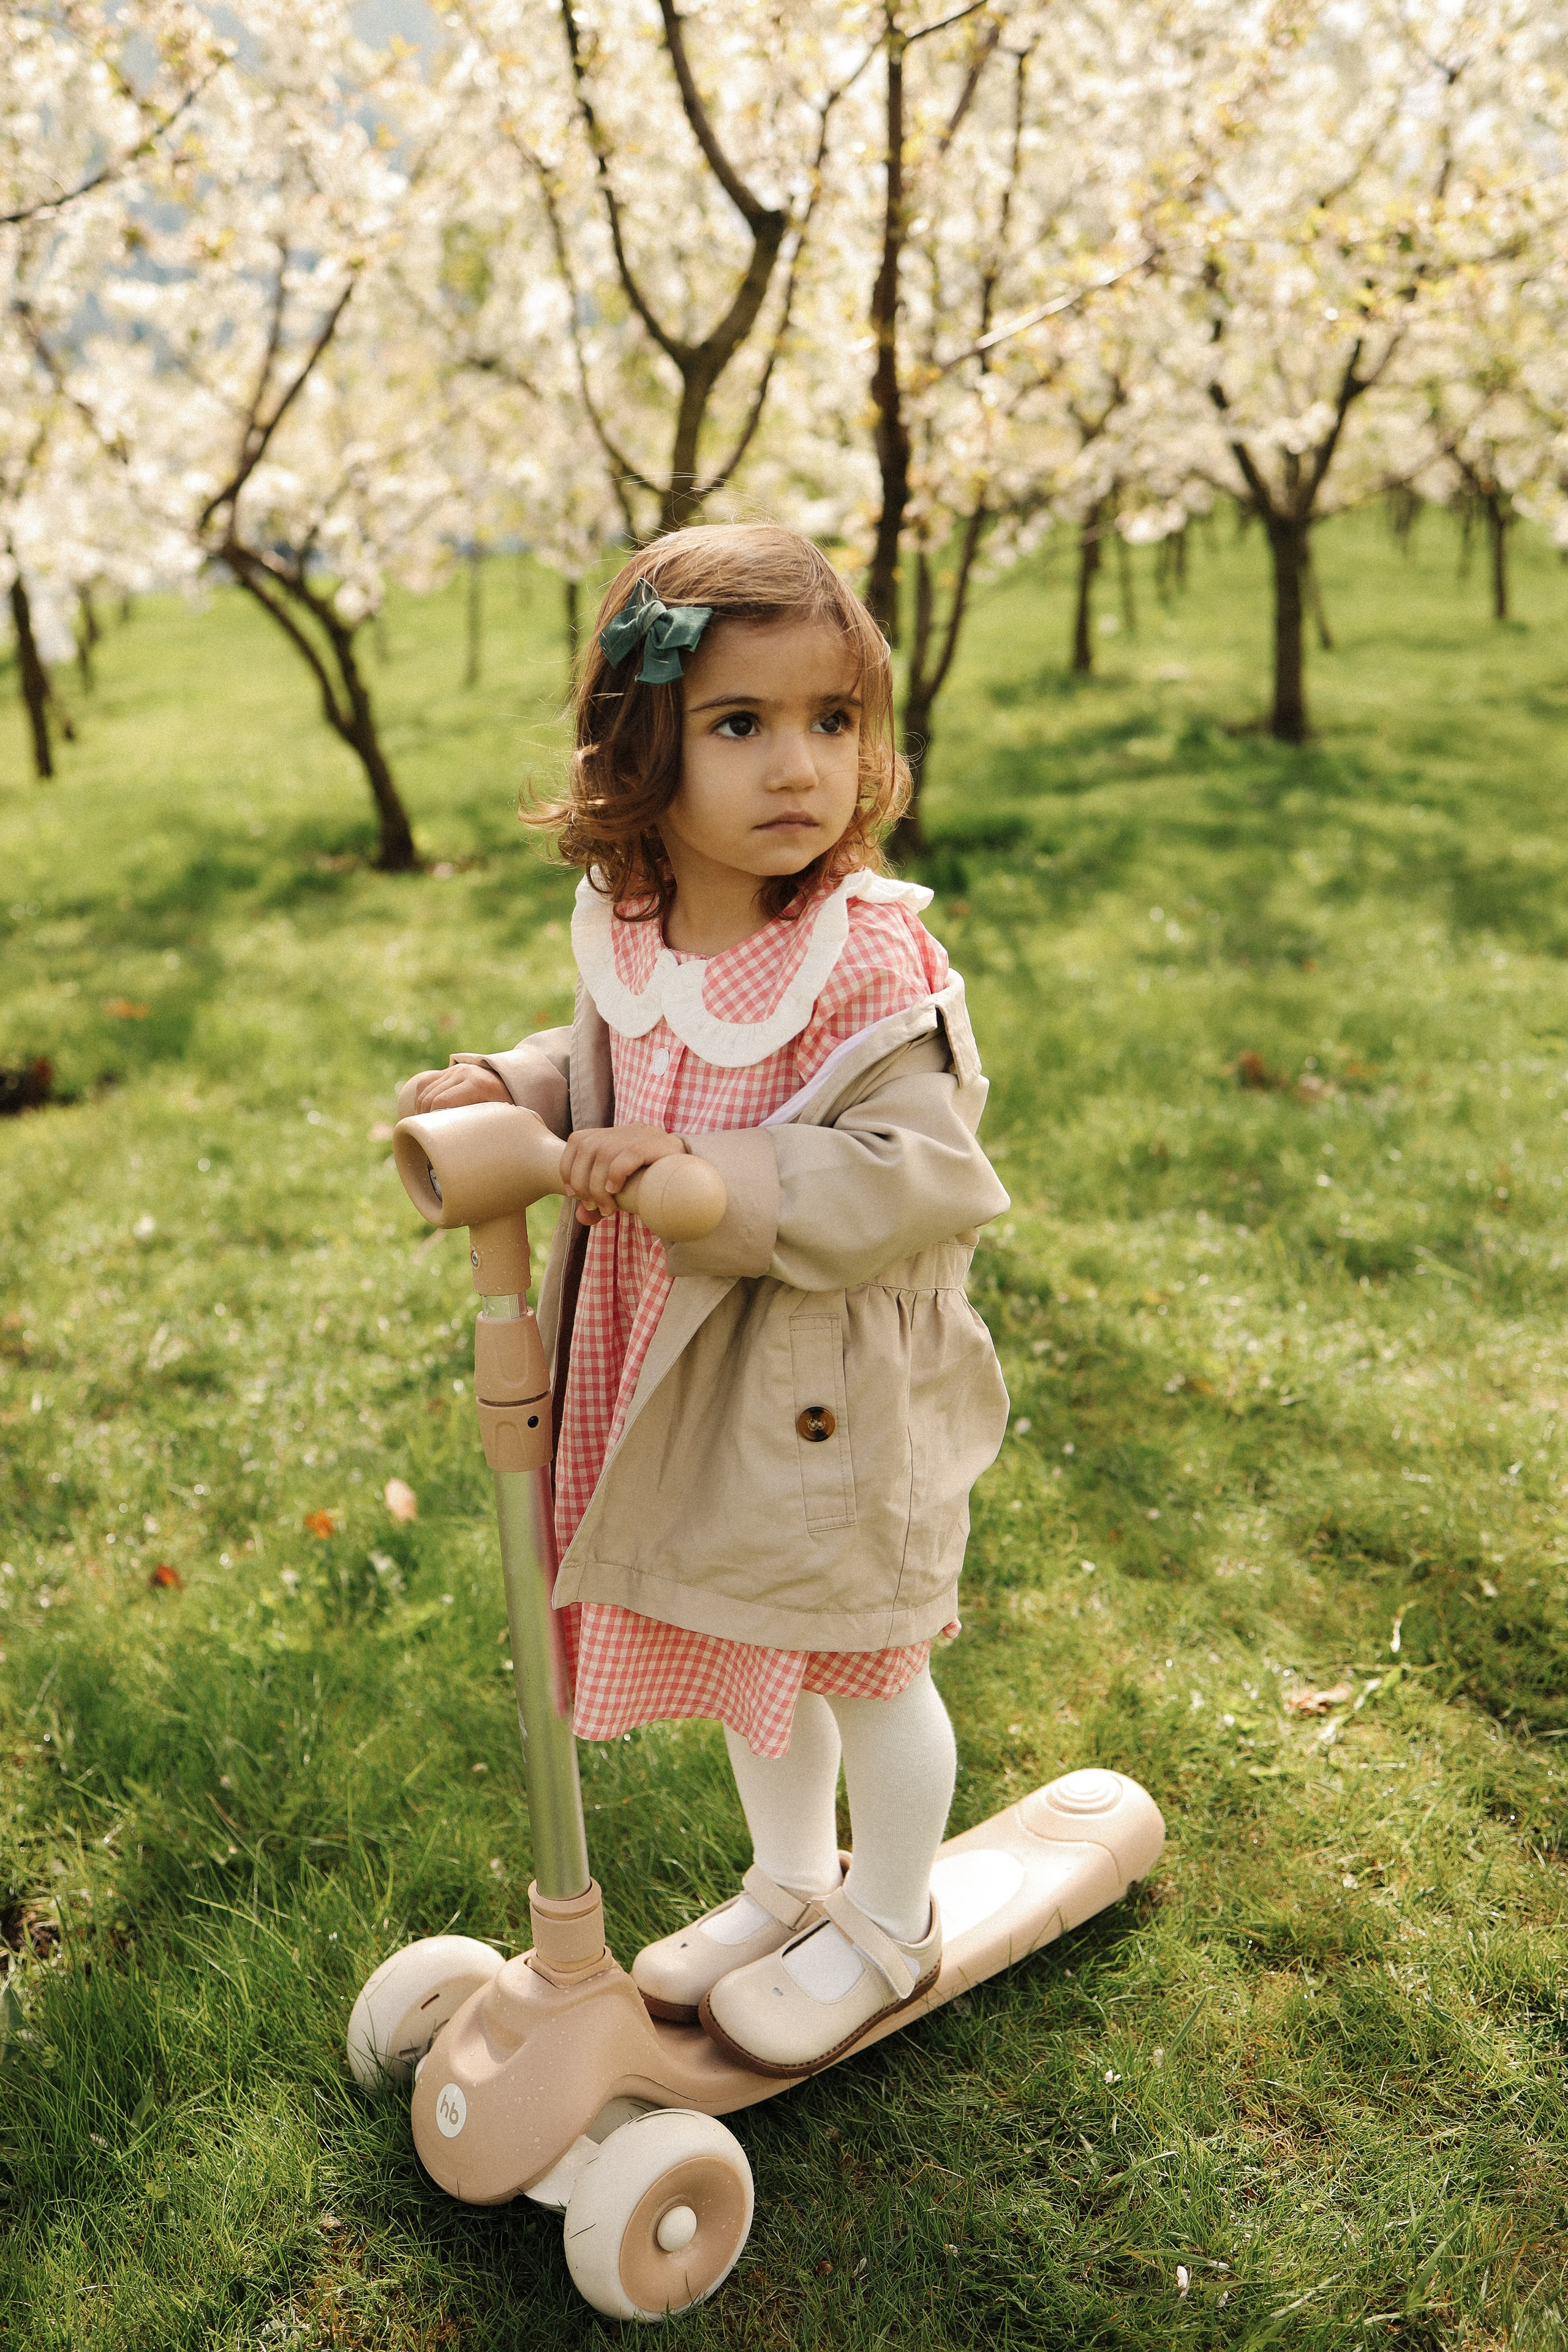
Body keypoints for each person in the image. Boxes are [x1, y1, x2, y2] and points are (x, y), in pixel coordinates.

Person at [406, 524, 1009, 2075]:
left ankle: (886, 1919)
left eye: (831, 721)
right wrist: (521, 1081)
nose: (795, 765)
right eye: (741, 725)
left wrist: (706, 1188)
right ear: (641, 748)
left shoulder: (864, 957)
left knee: (864, 1655)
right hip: (681, 1354)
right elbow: (631, 1056)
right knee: (754, 1645)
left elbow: (915, 1170)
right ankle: (789, 1882)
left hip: (821, 1373)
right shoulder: (639, 924)